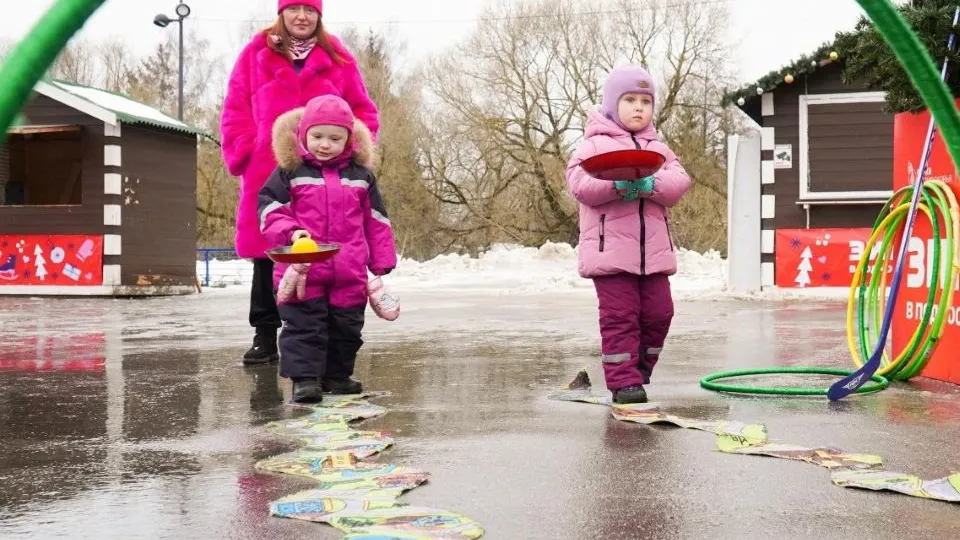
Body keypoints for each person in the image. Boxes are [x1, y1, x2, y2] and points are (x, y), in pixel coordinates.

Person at [220, 0, 379, 365]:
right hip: (267, 166)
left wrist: (352, 153)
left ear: (319, 16)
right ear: (282, 13)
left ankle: (317, 335)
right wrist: (245, 149)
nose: (302, 17)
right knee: (267, 250)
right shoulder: (254, 54)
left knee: (319, 252)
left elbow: (363, 111)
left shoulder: (337, 57)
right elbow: (234, 108)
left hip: (326, 171)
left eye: (310, 11)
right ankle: (264, 334)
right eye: (295, 10)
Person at [565, 65, 692, 404]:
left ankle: (639, 368)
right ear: (611, 104)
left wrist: (652, 185)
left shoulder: (658, 149)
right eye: (630, 99)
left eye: (646, 101)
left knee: (660, 313)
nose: (639, 107)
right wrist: (616, 185)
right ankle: (623, 383)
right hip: (610, 256)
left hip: (653, 256)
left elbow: (679, 182)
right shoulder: (593, 146)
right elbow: (580, 184)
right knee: (620, 317)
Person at [258, 94, 397, 403]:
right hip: (302, 268)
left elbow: (375, 219)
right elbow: (271, 210)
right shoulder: (290, 173)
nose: (325, 144)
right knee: (304, 325)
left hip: (349, 270)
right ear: (303, 134)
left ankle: (337, 375)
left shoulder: (361, 177)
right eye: (317, 136)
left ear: (349, 139)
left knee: (347, 326)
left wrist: (382, 259)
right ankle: (305, 379)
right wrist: (291, 233)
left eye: (335, 138)